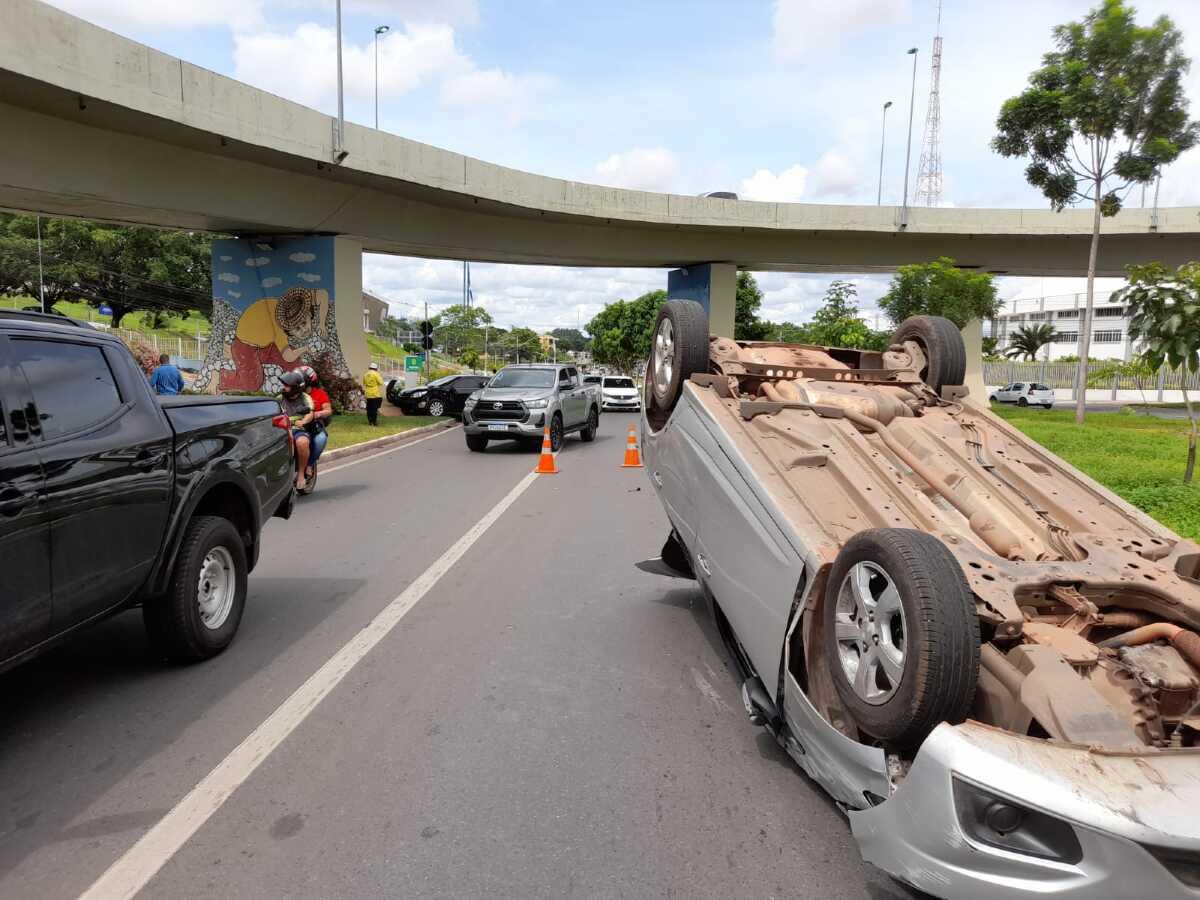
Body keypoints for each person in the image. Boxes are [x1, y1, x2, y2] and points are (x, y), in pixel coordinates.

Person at [279, 371, 315, 491]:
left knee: (302, 443)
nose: (284, 387)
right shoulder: (279, 398)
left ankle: (300, 474)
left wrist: (303, 422)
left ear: (295, 387)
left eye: (287, 385)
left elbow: (310, 413)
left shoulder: (305, 398)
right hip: (282, 430)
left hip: (298, 429)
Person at [297, 365, 332, 480]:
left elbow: (328, 410)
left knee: (321, 439)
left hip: (313, 426)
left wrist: (317, 414)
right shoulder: (294, 394)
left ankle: (310, 464)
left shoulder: (320, 393)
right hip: (295, 426)